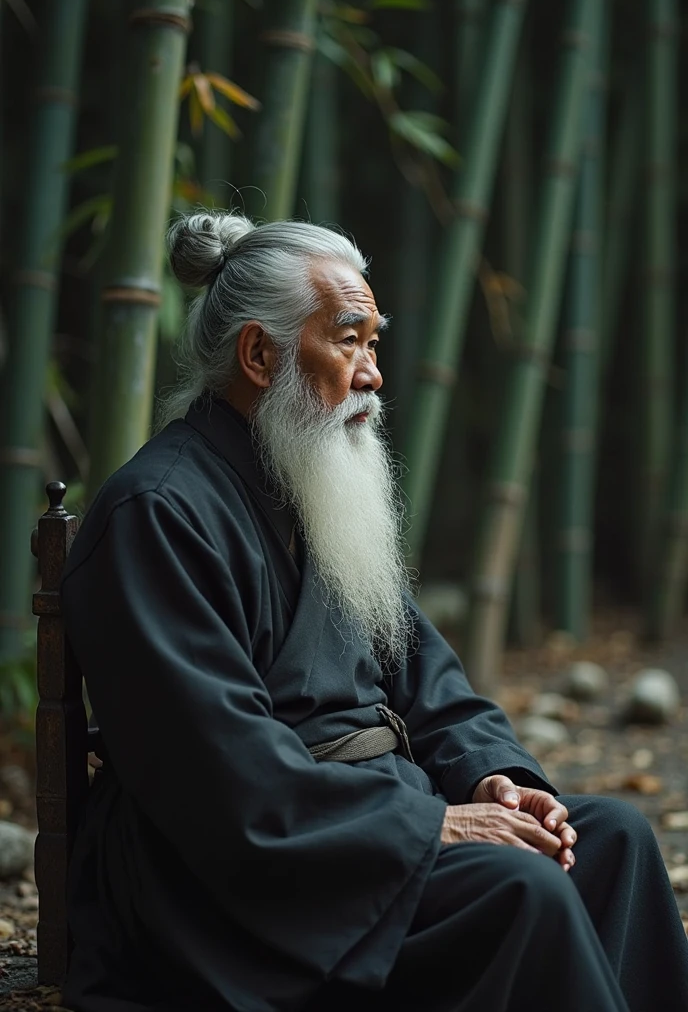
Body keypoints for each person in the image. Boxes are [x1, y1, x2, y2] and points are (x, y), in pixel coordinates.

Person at [61, 214, 688, 1012]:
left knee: (616, 845)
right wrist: (431, 828)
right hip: (239, 881)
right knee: (519, 888)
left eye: (375, 344)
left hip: (362, 830)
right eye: (348, 340)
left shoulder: (312, 489)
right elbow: (220, 773)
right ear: (259, 355)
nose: (373, 374)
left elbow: (433, 685)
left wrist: (490, 779)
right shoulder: (158, 512)